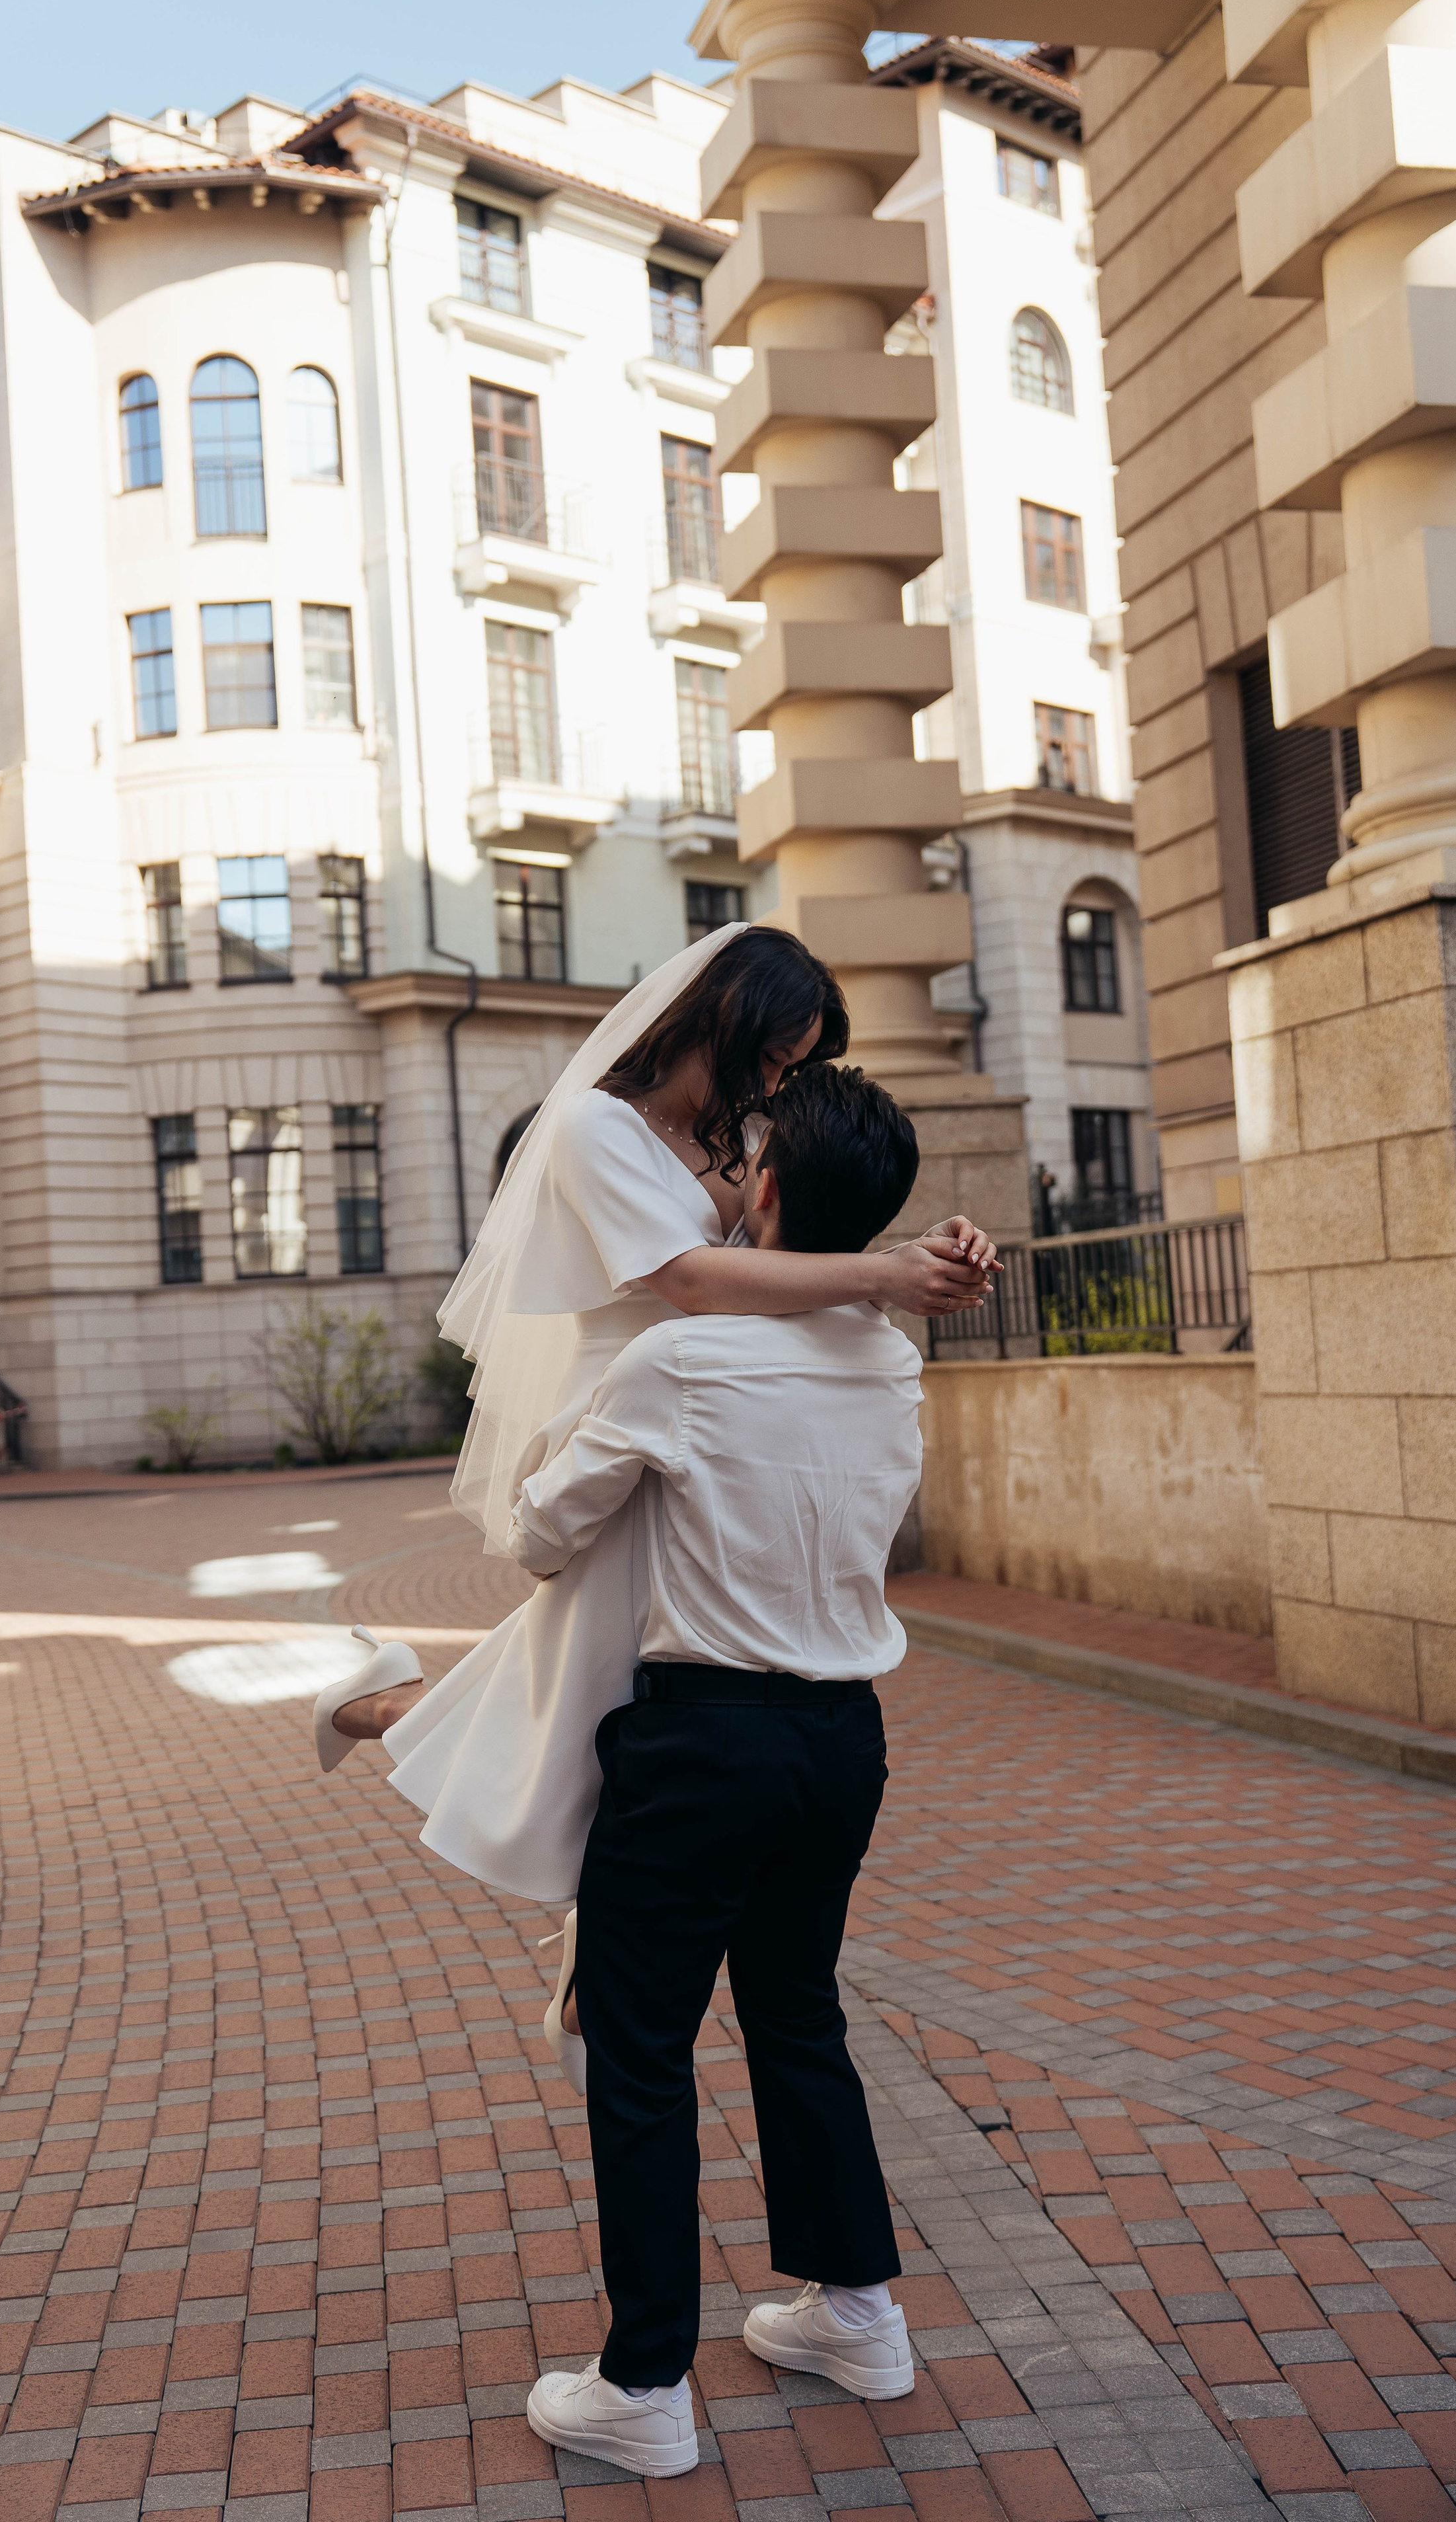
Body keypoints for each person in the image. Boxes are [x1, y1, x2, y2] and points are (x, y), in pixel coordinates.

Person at [311, 926, 997, 1916]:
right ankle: (394, 1718)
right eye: (773, 1058)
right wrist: (886, 1276)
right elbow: (688, 1280)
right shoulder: (595, 1127)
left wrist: (920, 1249)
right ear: (723, 1020)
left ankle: (398, 1716)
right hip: (630, 1406)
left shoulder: (746, 1133)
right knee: (589, 1696)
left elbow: (791, 1244)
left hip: (716, 1417)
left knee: (616, 1694)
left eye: (792, 1068)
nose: (777, 1084)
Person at [510, 1062, 927, 2478]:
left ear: (766, 1185)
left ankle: (643, 2386)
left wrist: (559, 1436)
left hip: (704, 1742)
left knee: (638, 2051)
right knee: (798, 2016)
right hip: (841, 1740)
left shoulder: (680, 1362)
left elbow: (541, 1536)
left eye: (740, 1158)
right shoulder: (890, 1358)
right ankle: (858, 2315)